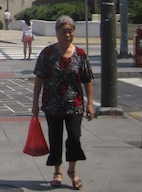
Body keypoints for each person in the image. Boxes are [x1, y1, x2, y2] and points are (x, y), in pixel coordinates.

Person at [31, 15, 94, 190]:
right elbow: (39, 79)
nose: (67, 35)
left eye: (70, 31)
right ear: (57, 32)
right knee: (55, 138)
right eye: (64, 31)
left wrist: (90, 104)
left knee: (74, 138)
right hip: (52, 104)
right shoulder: (47, 53)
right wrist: (35, 103)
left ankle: (72, 171)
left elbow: (87, 80)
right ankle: (57, 172)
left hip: (75, 104)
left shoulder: (80, 54)